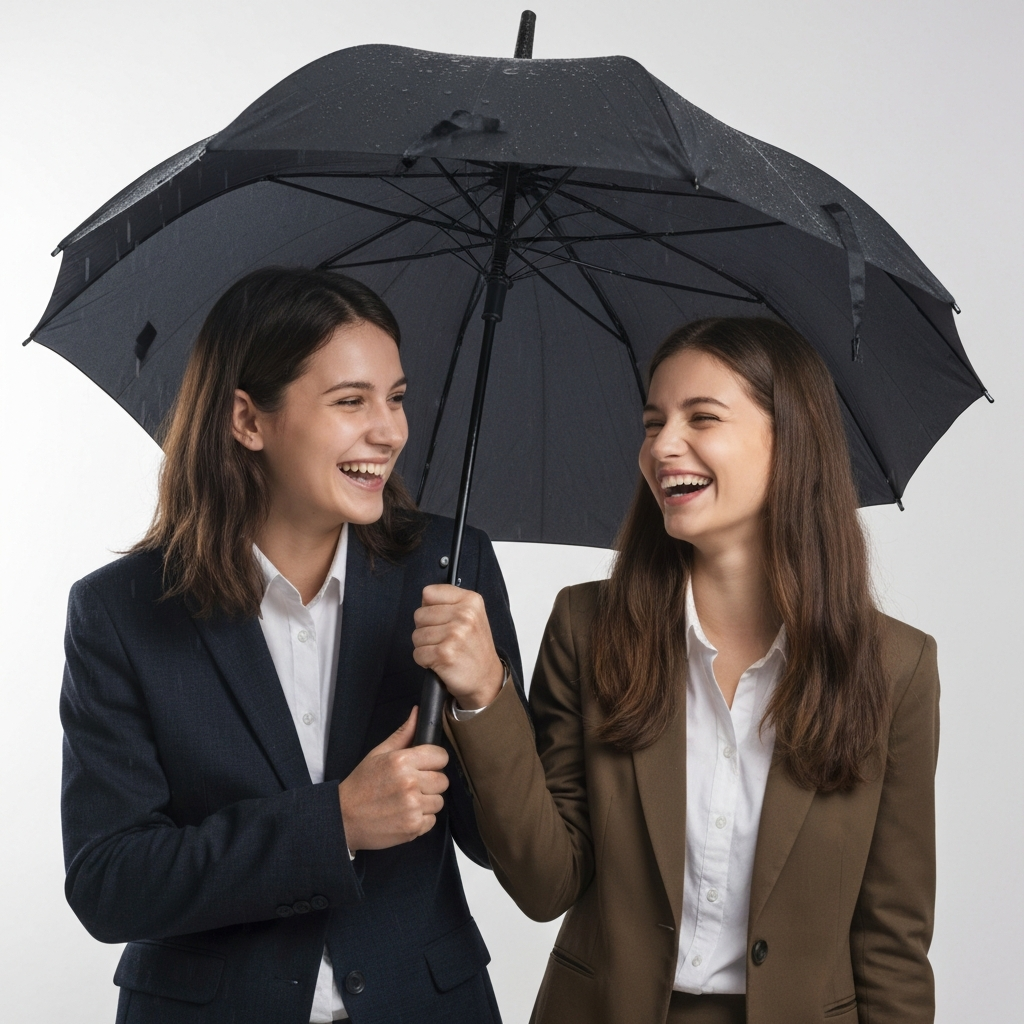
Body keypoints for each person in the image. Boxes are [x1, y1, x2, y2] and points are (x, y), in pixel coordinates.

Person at [428, 318, 940, 1024]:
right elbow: (545, 884)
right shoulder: (587, 629)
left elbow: (892, 941)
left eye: (702, 417)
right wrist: (485, 696)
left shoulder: (897, 668)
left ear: (789, 441)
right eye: (653, 422)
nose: (662, 446)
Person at [60, 267, 522, 1024]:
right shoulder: (122, 613)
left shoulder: (450, 569)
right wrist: (334, 821)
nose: (390, 430)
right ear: (248, 419)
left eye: (397, 397)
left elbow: (507, 849)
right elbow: (111, 882)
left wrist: (484, 698)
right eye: (350, 401)